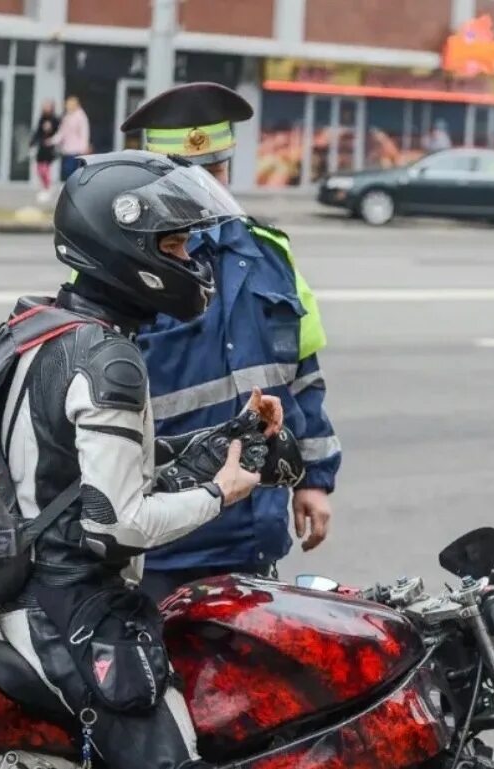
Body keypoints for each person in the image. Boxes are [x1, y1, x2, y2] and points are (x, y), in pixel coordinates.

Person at [0, 149, 287, 769]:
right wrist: (222, 493)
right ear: (129, 249)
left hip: (46, 591)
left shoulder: (53, 327)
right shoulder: (110, 362)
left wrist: (232, 435)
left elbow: (96, 465)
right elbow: (116, 524)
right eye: (177, 246)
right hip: (73, 612)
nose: (192, 261)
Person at [118, 82, 341, 602]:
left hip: (252, 534)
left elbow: (302, 377)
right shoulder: (127, 268)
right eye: (184, 175)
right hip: (162, 540)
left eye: (215, 172)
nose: (204, 189)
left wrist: (313, 479)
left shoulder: (268, 253)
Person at [49, 94, 91, 182]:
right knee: (67, 170)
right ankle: (69, 187)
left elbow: (84, 132)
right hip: (67, 149)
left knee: (73, 171)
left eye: (69, 104)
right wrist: (52, 141)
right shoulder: (67, 116)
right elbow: (62, 133)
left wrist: (84, 147)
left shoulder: (81, 116)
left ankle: (73, 188)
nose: (67, 106)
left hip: (77, 150)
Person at [29, 99, 60, 202]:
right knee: (39, 169)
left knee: (46, 169)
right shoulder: (42, 119)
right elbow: (38, 132)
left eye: (47, 106)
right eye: (44, 106)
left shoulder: (55, 120)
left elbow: (59, 132)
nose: (45, 108)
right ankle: (44, 187)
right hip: (41, 147)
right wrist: (33, 142)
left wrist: (53, 141)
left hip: (50, 147)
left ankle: (48, 188)